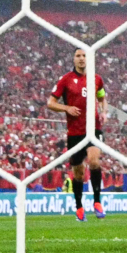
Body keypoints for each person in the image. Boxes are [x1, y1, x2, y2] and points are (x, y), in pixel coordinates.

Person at [46, 48, 107, 221]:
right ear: (73, 59)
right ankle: (79, 206)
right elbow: (51, 103)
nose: (81, 59)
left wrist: (104, 111)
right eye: (78, 56)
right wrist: (67, 108)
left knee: (94, 160)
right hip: (75, 133)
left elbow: (102, 97)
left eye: (84, 55)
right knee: (78, 173)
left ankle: (97, 202)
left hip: (93, 129)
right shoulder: (65, 80)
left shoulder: (97, 79)